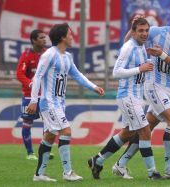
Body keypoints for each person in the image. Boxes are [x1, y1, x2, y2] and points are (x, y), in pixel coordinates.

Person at [112, 7, 170, 179]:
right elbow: (130, 42)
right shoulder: (157, 32)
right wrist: (132, 28)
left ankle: (120, 164)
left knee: (146, 129)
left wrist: (163, 55)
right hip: (153, 85)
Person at [26, 23, 104, 182]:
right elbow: (38, 77)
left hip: (59, 103)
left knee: (49, 137)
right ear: (62, 37)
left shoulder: (67, 57)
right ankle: (68, 173)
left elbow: (77, 75)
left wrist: (93, 86)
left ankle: (39, 175)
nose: (72, 36)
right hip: (49, 103)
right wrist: (33, 100)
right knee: (66, 132)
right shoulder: (49, 54)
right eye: (70, 34)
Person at [88, 18, 162, 180]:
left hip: (136, 96)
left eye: (146, 30)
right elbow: (116, 72)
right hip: (127, 96)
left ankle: (97, 160)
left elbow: (128, 43)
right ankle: (152, 173)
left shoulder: (140, 46)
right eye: (140, 31)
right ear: (134, 32)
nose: (144, 33)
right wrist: (139, 69)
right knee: (145, 130)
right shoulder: (129, 47)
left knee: (127, 133)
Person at [16, 29, 54, 160]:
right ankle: (30, 153)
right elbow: (20, 74)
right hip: (29, 96)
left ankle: (44, 151)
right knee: (27, 122)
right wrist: (31, 84)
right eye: (41, 37)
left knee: (48, 123)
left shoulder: (47, 54)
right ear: (33, 40)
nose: (44, 39)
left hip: (45, 95)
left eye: (45, 37)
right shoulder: (26, 55)